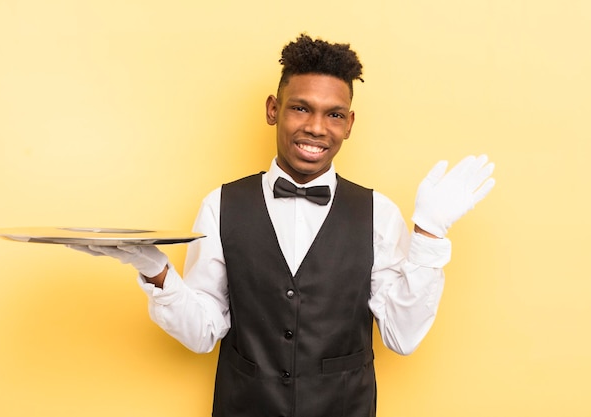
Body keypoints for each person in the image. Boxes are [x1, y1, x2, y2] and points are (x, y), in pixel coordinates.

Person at [71, 34, 495, 417]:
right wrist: (156, 271)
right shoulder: (221, 204)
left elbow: (402, 337)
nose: (315, 127)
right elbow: (202, 334)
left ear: (349, 123)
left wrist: (429, 236)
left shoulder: (378, 213)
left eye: (334, 115)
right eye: (300, 108)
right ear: (274, 110)